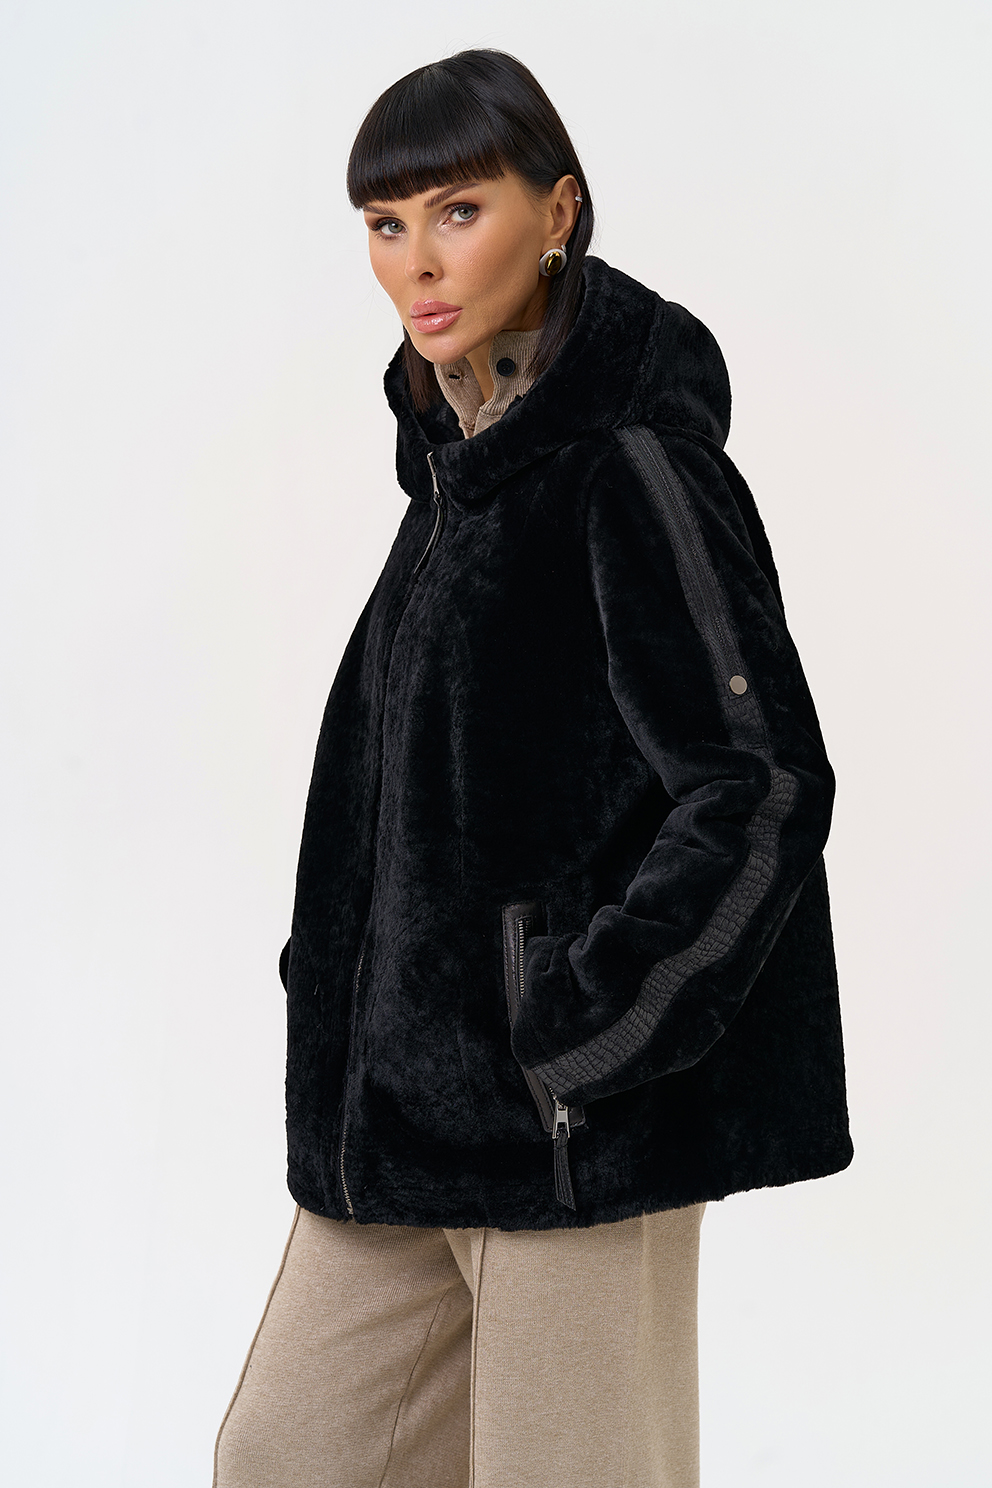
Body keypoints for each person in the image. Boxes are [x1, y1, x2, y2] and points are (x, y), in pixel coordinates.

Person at [213, 47, 853, 1488]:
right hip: (398, 1121)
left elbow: (760, 785)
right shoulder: (457, 484)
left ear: (557, 211)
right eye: (387, 224)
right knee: (284, 1457)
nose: (419, 261)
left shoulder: (632, 465)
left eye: (460, 210)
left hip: (572, 1129)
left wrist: (589, 1026)